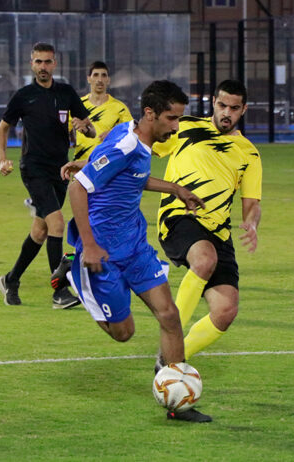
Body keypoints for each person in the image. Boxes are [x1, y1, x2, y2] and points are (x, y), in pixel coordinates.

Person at [59, 80, 211, 423]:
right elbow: (77, 190)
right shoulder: (127, 144)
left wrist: (175, 189)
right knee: (123, 334)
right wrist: (92, 246)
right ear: (149, 113)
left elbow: (132, 176)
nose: (175, 127)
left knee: (169, 316)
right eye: (171, 119)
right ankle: (72, 276)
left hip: (135, 246)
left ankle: (179, 404)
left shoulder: (133, 137)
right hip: (102, 252)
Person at [150, 79, 262, 374]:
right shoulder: (184, 127)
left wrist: (251, 222)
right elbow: (139, 145)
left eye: (234, 108)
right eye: (222, 105)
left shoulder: (249, 153)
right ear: (214, 102)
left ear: (244, 110)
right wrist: (90, 161)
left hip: (218, 231)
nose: (227, 113)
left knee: (226, 311)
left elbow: (251, 202)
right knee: (204, 258)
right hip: (179, 217)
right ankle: (169, 347)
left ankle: (169, 362)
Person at [0, 42, 96, 308]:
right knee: (57, 224)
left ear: (55, 64)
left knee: (40, 231)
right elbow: (2, 128)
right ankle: (59, 291)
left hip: (60, 169)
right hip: (33, 168)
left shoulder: (66, 93)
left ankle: (11, 279)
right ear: (32, 64)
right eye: (38, 62)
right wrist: (2, 158)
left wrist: (85, 128)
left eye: (47, 62)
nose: (43, 67)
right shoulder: (24, 96)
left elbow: (90, 130)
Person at [71, 61, 133, 161]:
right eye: (95, 75)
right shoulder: (77, 104)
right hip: (81, 168)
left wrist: (114, 134)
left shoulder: (120, 108)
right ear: (88, 79)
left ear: (108, 80)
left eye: (104, 75)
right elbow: (62, 129)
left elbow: (132, 135)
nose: (100, 80)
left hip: (107, 167)